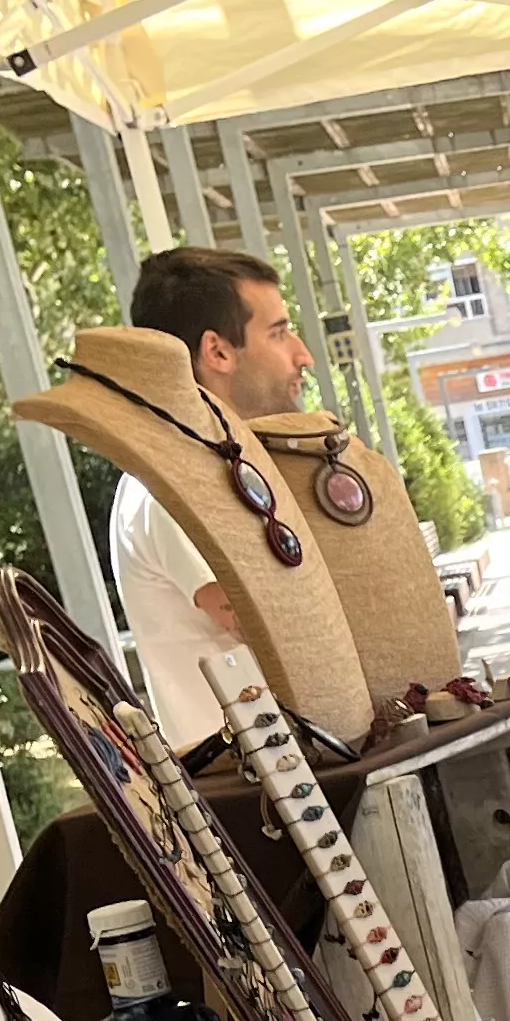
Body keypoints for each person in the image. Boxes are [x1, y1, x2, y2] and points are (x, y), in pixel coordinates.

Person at [112, 246, 310, 751]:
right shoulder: (170, 486)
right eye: (280, 332)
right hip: (265, 795)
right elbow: (267, 623)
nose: (302, 354)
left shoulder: (218, 465)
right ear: (217, 352)